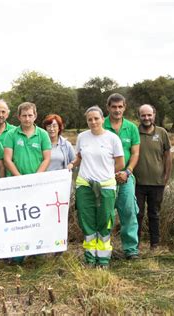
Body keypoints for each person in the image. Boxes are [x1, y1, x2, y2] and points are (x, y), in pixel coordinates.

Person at [70, 106, 124, 268]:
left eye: (96, 118)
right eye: (89, 119)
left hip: (106, 187)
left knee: (105, 222)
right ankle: (90, 259)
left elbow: (120, 163)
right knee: (87, 222)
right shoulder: (82, 137)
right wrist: (72, 164)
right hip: (85, 186)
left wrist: (104, 175)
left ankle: (103, 259)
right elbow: (79, 157)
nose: (93, 122)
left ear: (102, 119)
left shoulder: (112, 139)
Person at [3, 102, 51, 264]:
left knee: (37, 218)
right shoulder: (11, 134)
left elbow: (46, 158)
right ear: (18, 117)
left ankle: (38, 252)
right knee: (18, 220)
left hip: (37, 185)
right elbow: (7, 159)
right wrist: (20, 178)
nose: (27, 118)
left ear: (35, 116)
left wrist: (36, 178)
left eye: (30, 115)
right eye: (24, 115)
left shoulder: (43, 134)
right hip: (16, 184)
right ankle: (18, 254)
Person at [103, 93, 140, 259]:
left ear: (124, 107)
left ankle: (131, 249)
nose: (117, 110)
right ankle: (104, 249)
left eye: (120, 107)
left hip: (125, 177)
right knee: (105, 215)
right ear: (108, 107)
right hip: (104, 178)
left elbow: (135, 153)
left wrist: (128, 171)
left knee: (129, 213)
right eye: (114, 107)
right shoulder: (100, 124)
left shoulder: (131, 128)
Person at [133, 104, 171, 250]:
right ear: (139, 116)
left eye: (149, 115)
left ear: (154, 115)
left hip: (157, 183)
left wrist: (166, 178)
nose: (146, 118)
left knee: (154, 214)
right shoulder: (134, 132)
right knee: (137, 214)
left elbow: (168, 156)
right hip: (137, 183)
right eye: (143, 115)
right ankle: (135, 244)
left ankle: (154, 244)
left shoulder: (162, 133)